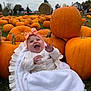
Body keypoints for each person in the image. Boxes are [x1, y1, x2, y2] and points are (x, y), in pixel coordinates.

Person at [9, 28, 85, 91]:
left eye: (38, 40)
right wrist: (32, 62)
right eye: (31, 42)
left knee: (69, 74)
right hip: (39, 75)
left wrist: (52, 51)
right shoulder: (28, 54)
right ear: (27, 47)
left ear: (43, 42)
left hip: (53, 72)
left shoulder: (47, 50)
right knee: (31, 80)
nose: (35, 41)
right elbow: (25, 66)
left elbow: (57, 57)